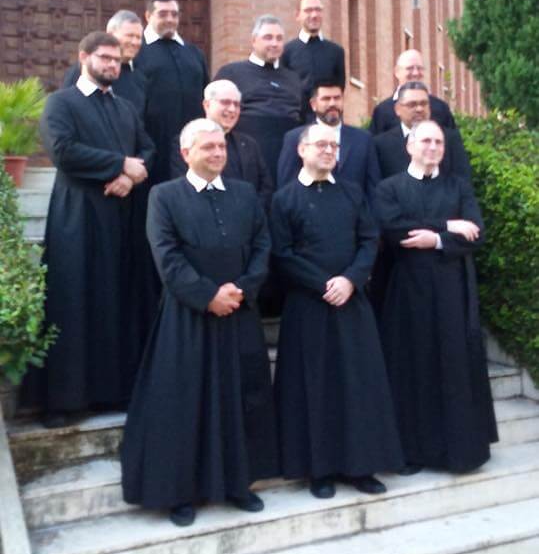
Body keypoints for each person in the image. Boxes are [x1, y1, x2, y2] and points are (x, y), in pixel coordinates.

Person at [122, 119, 278, 527]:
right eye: (208, 147)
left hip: (239, 313)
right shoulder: (163, 196)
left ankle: (239, 483)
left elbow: (262, 246)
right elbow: (167, 257)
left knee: (242, 398)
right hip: (187, 319)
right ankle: (181, 491)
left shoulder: (245, 194)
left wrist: (241, 289)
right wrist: (208, 296)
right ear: (186, 153)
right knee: (185, 402)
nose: (217, 153)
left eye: (221, 146)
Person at [271, 123, 403, 500]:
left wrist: (350, 280)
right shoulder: (284, 199)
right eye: (321, 145)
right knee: (315, 388)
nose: (329, 151)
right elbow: (281, 253)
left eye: (334, 145)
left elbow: (369, 240)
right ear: (302, 150)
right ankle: (320, 470)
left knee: (358, 386)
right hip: (307, 306)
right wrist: (324, 284)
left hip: (352, 302)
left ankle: (361, 467)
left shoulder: (352, 192)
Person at [30, 32, 155, 426]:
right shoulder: (61, 103)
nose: (112, 65)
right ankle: (65, 401)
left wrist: (129, 178)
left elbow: (148, 149)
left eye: (117, 60)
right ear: (83, 57)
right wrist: (120, 164)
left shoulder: (125, 108)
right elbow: (63, 151)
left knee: (115, 302)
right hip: (77, 218)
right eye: (104, 58)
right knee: (73, 301)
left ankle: (110, 393)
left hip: (120, 218)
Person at [375, 120, 497, 474]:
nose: (432, 147)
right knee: (413, 366)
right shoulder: (389, 188)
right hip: (407, 292)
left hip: (452, 292)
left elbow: (476, 233)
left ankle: (459, 453)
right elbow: (393, 228)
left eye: (439, 142)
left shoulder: (459, 187)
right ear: (409, 146)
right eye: (426, 140)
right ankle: (413, 452)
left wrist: (436, 239)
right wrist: (447, 227)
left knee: (454, 364)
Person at [214, 15, 302, 183]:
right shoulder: (231, 72)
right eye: (268, 37)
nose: (274, 43)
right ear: (254, 41)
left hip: (288, 156)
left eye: (279, 38)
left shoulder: (293, 78)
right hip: (247, 155)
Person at [135, 0, 209, 184]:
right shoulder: (136, 51)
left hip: (191, 147)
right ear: (148, 16)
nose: (170, 19)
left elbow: (205, 96)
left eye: (174, 14)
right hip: (151, 146)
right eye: (163, 14)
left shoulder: (194, 53)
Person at [169, 79, 273, 210]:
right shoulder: (187, 141)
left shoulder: (249, 144)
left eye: (236, 104)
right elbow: (184, 187)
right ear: (207, 105)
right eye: (225, 102)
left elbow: (265, 187)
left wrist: (249, 212)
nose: (232, 109)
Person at [277, 83, 380, 210]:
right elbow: (286, 185)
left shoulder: (363, 139)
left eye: (337, 98)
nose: (332, 103)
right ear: (313, 104)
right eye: (326, 99)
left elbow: (373, 187)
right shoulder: (294, 138)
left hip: (354, 215)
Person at [374, 82, 471, 181]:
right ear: (397, 109)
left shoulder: (450, 139)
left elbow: (462, 178)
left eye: (424, 104)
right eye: (412, 104)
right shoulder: (381, 144)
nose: (419, 109)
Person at [63, 10, 147, 116]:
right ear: (110, 34)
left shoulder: (140, 75)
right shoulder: (86, 71)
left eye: (138, 37)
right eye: (129, 36)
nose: (135, 42)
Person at [281, 0, 345, 120]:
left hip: (328, 121)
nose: (314, 15)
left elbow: (339, 88)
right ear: (297, 15)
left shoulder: (336, 51)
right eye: (308, 10)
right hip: (296, 122)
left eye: (318, 10)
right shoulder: (286, 51)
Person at [369, 48, 456, 135]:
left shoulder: (440, 108)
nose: (415, 73)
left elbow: (452, 140)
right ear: (397, 72)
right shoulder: (382, 111)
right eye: (409, 68)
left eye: (420, 68)